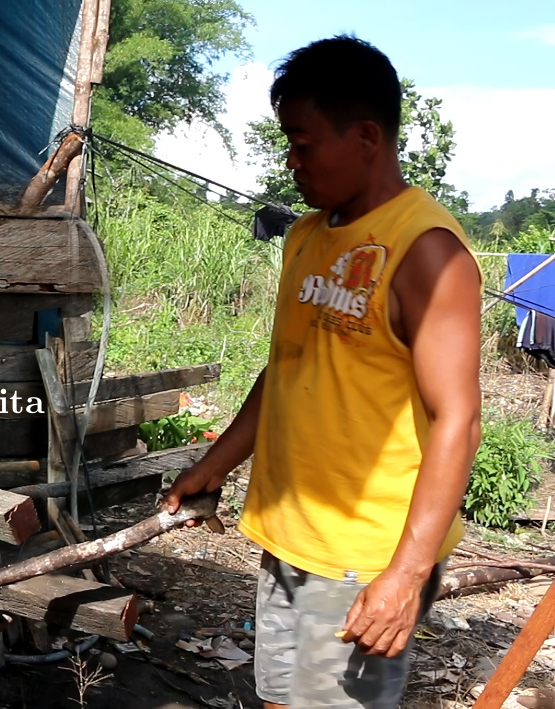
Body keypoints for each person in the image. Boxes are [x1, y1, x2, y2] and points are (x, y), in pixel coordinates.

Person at [163, 36, 482, 709]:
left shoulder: (426, 252)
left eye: (304, 144)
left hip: (364, 553)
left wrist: (406, 572)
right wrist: (216, 463)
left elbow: (459, 419)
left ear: (367, 136)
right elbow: (288, 367)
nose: (292, 161)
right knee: (280, 696)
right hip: (289, 531)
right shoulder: (308, 236)